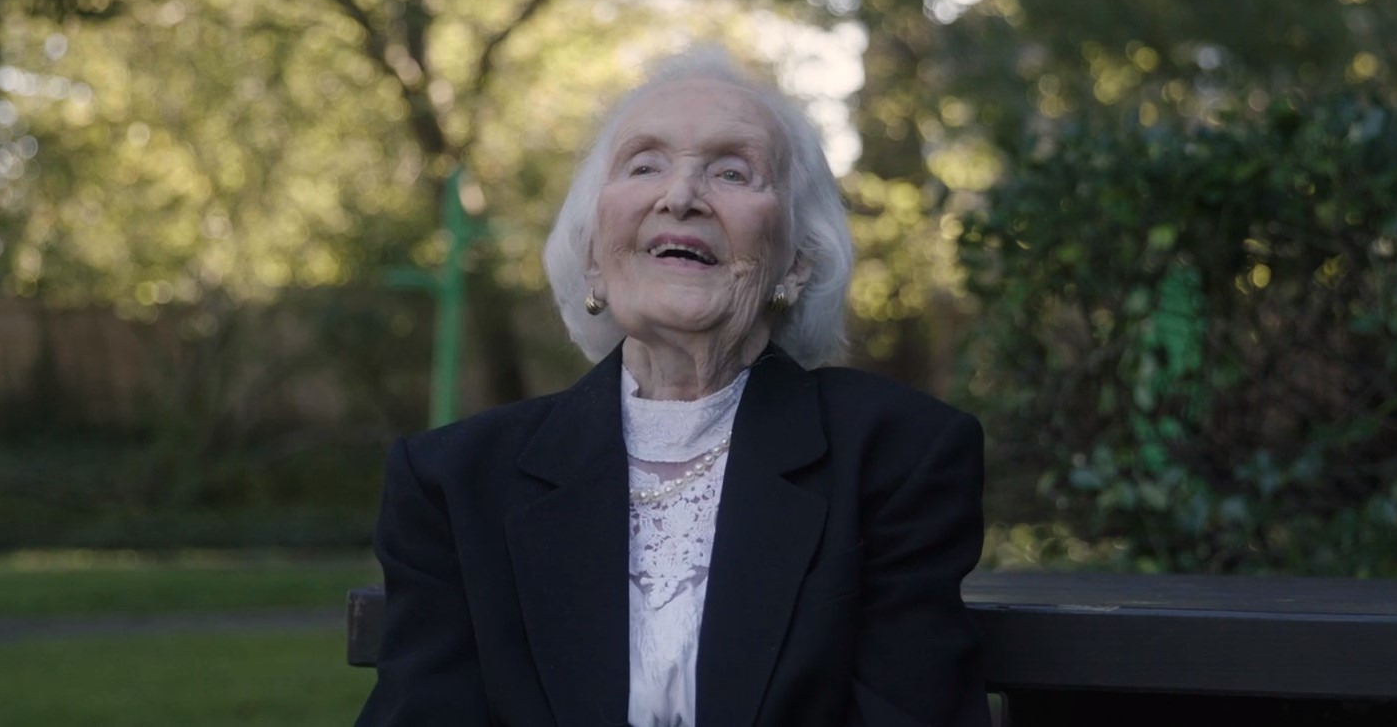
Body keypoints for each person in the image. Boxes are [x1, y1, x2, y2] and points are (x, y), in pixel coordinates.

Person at [354, 48, 989, 727]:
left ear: (797, 263)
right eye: (645, 164)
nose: (680, 196)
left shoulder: (896, 457)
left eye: (731, 172)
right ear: (593, 255)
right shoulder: (452, 481)